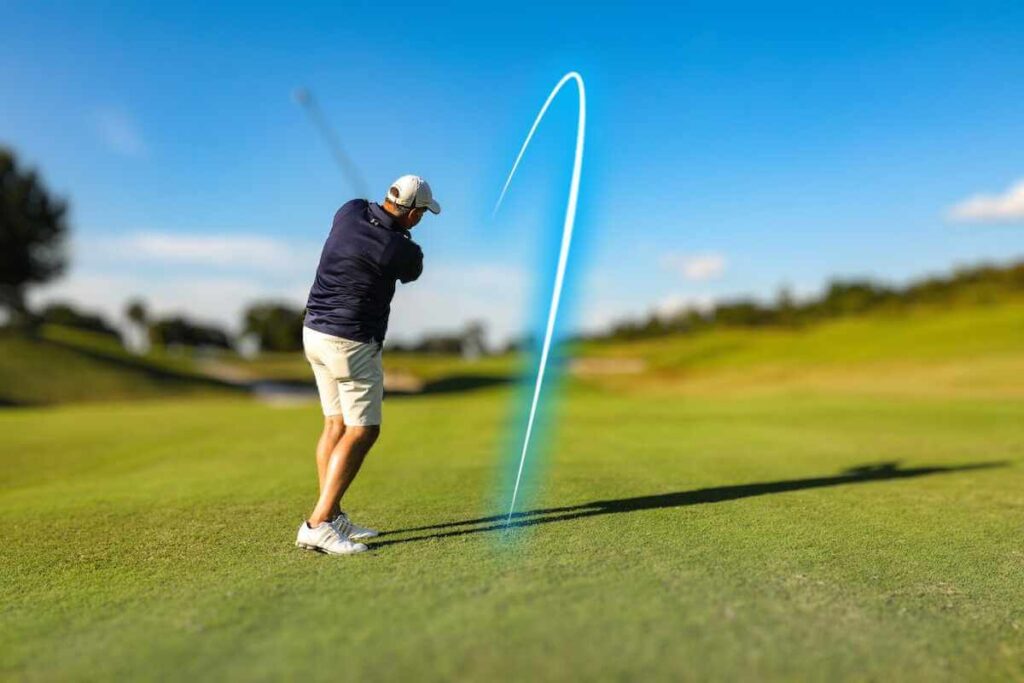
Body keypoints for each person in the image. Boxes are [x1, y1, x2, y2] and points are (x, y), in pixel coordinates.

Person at [295, 175, 440, 555]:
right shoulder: (398, 249)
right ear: (411, 213)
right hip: (351, 342)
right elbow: (413, 269)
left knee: (334, 424)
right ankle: (319, 523)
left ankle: (333, 513)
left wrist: (386, 224)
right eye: (422, 212)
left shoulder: (349, 211)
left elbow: (364, 215)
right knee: (363, 431)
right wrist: (399, 236)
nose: (422, 218)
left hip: (314, 334)